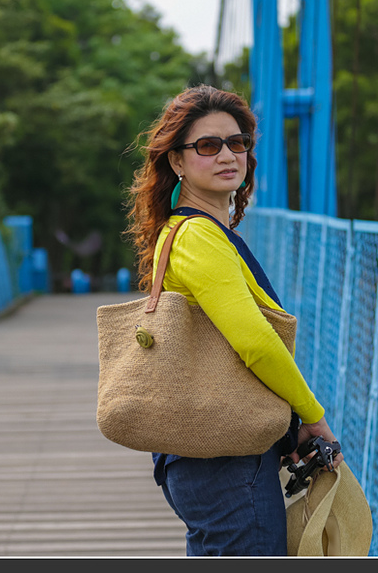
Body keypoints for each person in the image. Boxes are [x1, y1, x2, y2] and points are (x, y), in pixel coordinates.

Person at [124, 84, 343, 556]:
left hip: (211, 458)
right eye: (207, 145)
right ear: (177, 162)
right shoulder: (199, 237)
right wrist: (313, 415)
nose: (227, 154)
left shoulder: (201, 233)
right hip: (223, 462)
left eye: (237, 142)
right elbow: (256, 343)